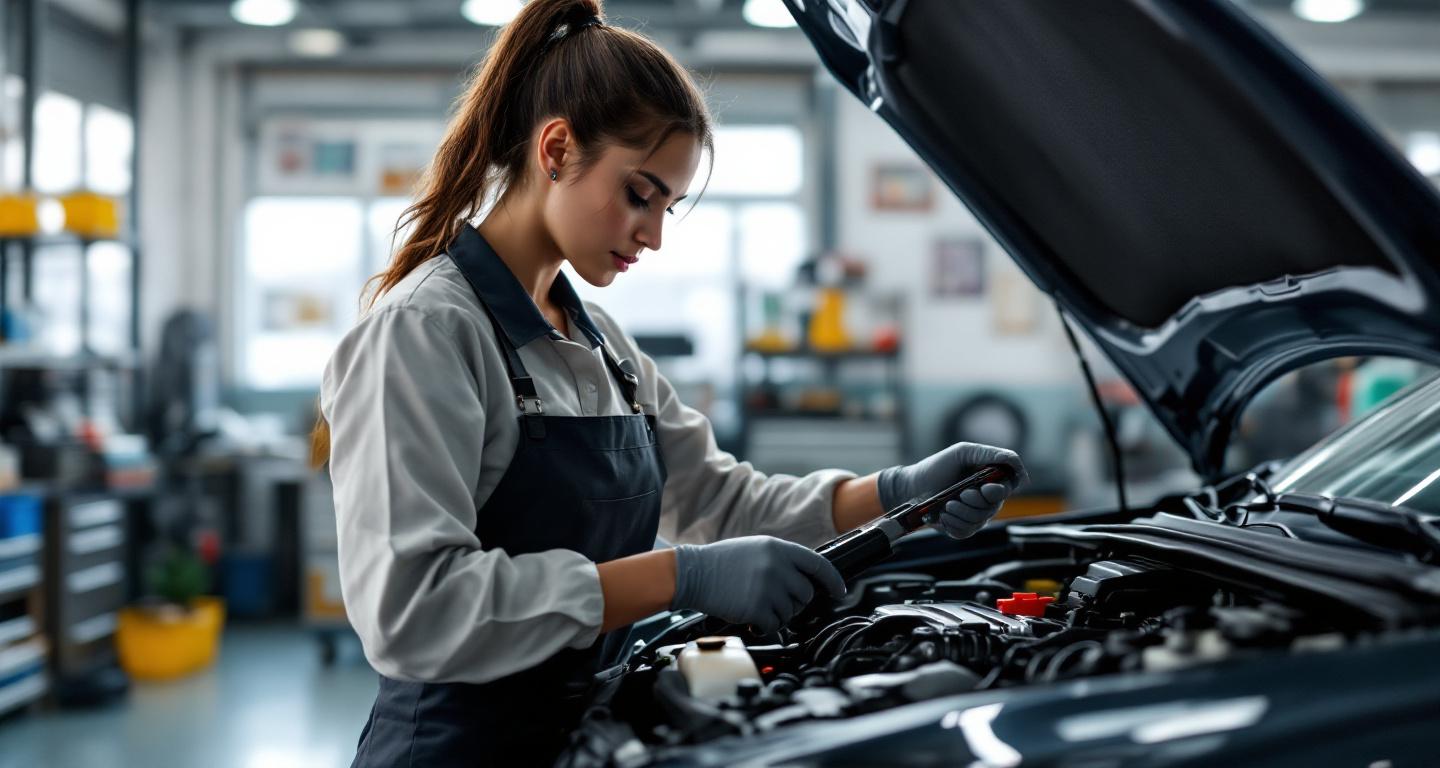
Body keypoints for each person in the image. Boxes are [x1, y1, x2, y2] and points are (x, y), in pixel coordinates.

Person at [312, 1, 1028, 764]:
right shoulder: (426, 332)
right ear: (556, 148)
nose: (653, 233)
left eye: (669, 206)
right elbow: (414, 613)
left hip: (581, 737)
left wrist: (895, 493)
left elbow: (722, 501)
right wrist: (677, 576)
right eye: (640, 193)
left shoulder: (603, 349)